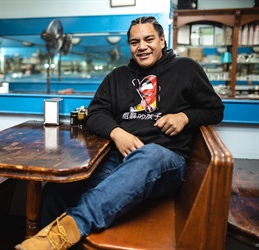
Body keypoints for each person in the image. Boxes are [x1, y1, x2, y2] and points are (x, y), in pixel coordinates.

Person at [15, 16, 224, 250]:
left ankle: (64, 232)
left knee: (150, 155)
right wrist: (117, 133)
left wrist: (184, 117)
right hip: (118, 160)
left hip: (166, 161)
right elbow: (95, 113)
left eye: (149, 39)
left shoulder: (186, 68)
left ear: (162, 40)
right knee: (56, 192)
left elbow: (215, 110)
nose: (142, 46)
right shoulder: (117, 76)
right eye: (135, 42)